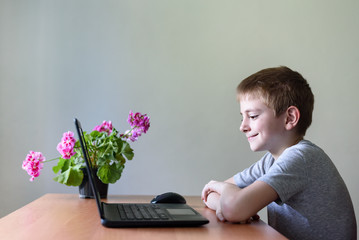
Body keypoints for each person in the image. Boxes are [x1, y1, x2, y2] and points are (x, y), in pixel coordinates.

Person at [201, 66, 357, 240]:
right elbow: (210, 195)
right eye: (242, 117)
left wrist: (229, 197)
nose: (242, 126)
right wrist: (230, 204)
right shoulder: (270, 161)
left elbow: (231, 205)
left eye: (252, 116)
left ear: (289, 118)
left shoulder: (301, 158)